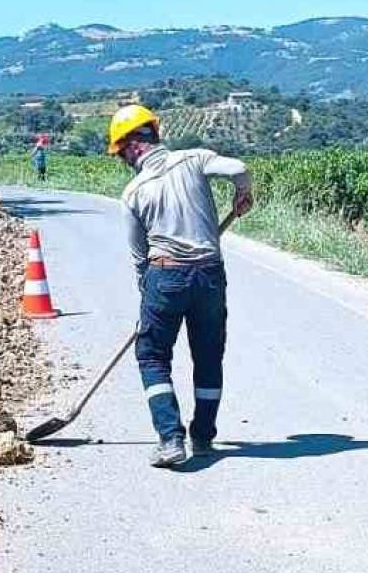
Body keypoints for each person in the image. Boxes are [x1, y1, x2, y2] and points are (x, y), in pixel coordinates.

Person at [107, 104, 253, 468]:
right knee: (208, 356)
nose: (123, 159)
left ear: (132, 145)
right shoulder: (193, 159)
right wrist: (242, 194)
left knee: (152, 355)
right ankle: (203, 436)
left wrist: (149, 297)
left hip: (165, 274)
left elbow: (138, 256)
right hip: (208, 274)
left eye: (121, 152)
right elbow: (239, 169)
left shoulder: (134, 191)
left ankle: (171, 438)